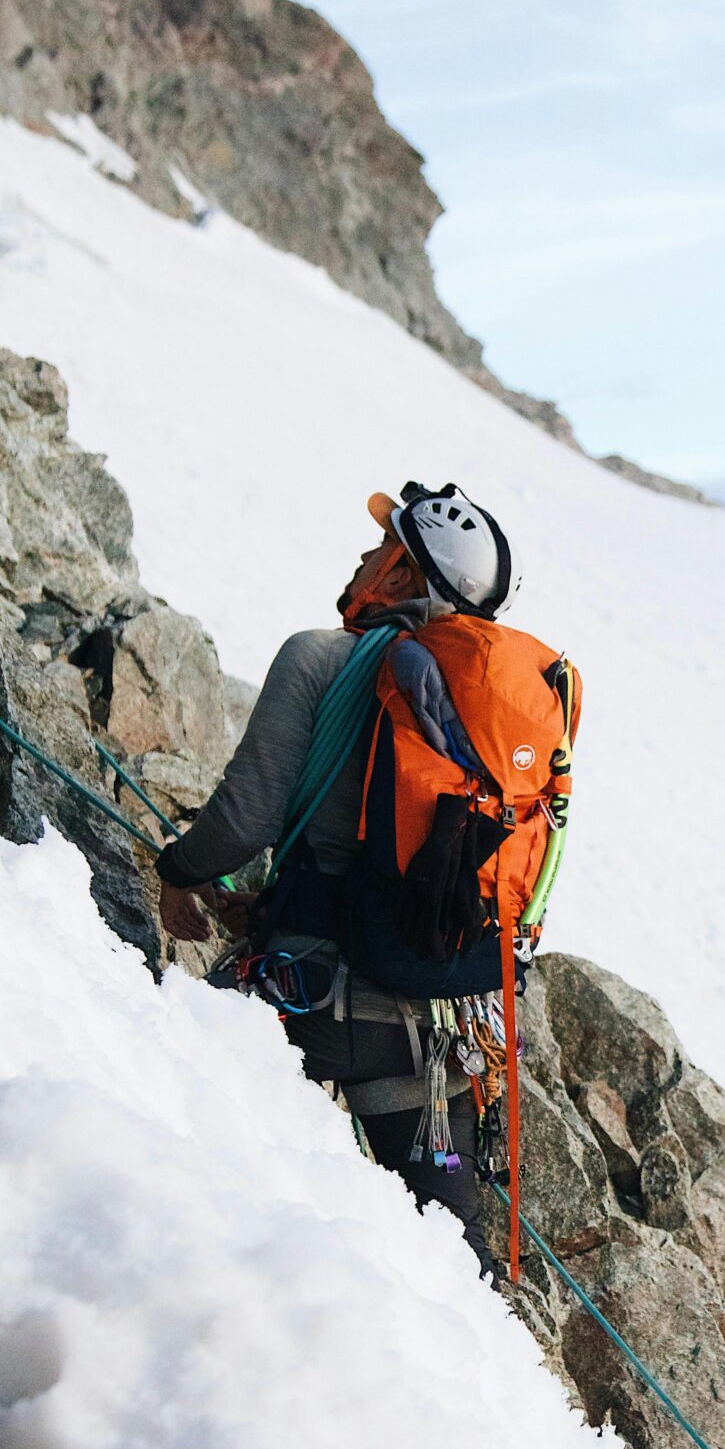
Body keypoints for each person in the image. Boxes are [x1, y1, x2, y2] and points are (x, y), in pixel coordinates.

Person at [155, 483, 515, 1264]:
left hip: (299, 1002)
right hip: (428, 1037)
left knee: (161, 1111)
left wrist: (177, 873)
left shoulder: (320, 658)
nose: (360, 557)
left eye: (380, 549)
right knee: (456, 1249)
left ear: (401, 576)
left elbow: (245, 820)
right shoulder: (491, 720)